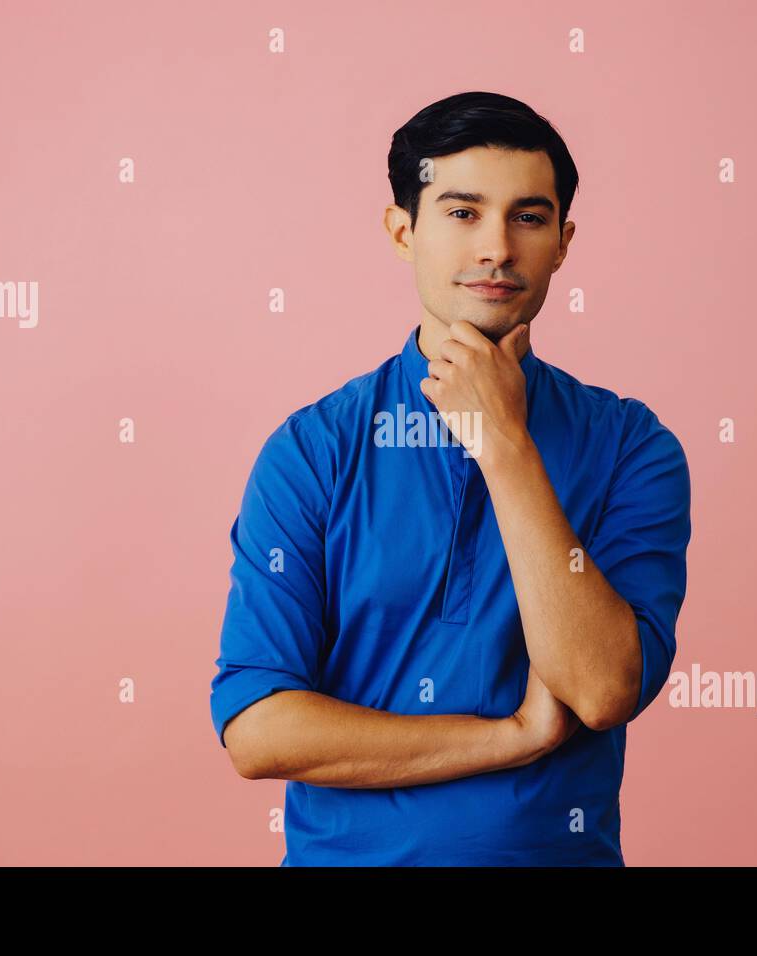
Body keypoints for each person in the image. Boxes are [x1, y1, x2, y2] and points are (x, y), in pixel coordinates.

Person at [210, 91, 691, 865]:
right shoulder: (313, 451)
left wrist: (503, 446)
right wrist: (510, 738)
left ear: (563, 242)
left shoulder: (632, 446)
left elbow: (603, 689)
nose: (497, 247)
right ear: (404, 232)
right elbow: (259, 729)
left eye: (528, 218)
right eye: (463, 214)